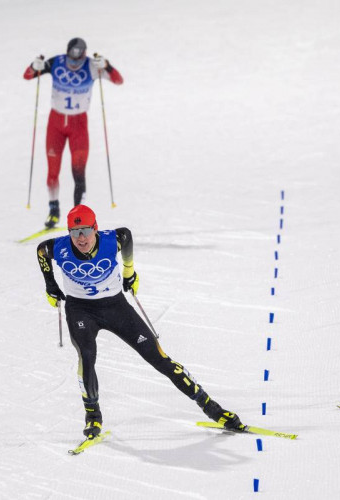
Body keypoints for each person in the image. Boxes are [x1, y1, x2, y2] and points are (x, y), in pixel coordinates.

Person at [36, 205, 244, 439]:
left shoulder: (111, 240)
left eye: (85, 231)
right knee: (86, 355)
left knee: (158, 358)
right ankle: (93, 417)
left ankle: (213, 409)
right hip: (81, 310)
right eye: (74, 233)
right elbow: (41, 251)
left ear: (96, 229)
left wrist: (129, 272)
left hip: (115, 306)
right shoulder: (59, 247)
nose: (80, 238)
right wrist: (50, 285)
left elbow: (126, 236)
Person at [24, 38, 124, 228]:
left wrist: (107, 66)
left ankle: (79, 216)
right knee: (53, 171)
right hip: (56, 123)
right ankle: (54, 211)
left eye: (79, 58)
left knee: (78, 171)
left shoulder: (92, 67)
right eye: (72, 57)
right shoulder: (56, 63)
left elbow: (118, 80)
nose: (75, 62)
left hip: (79, 124)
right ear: (68, 52)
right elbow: (28, 75)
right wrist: (34, 65)